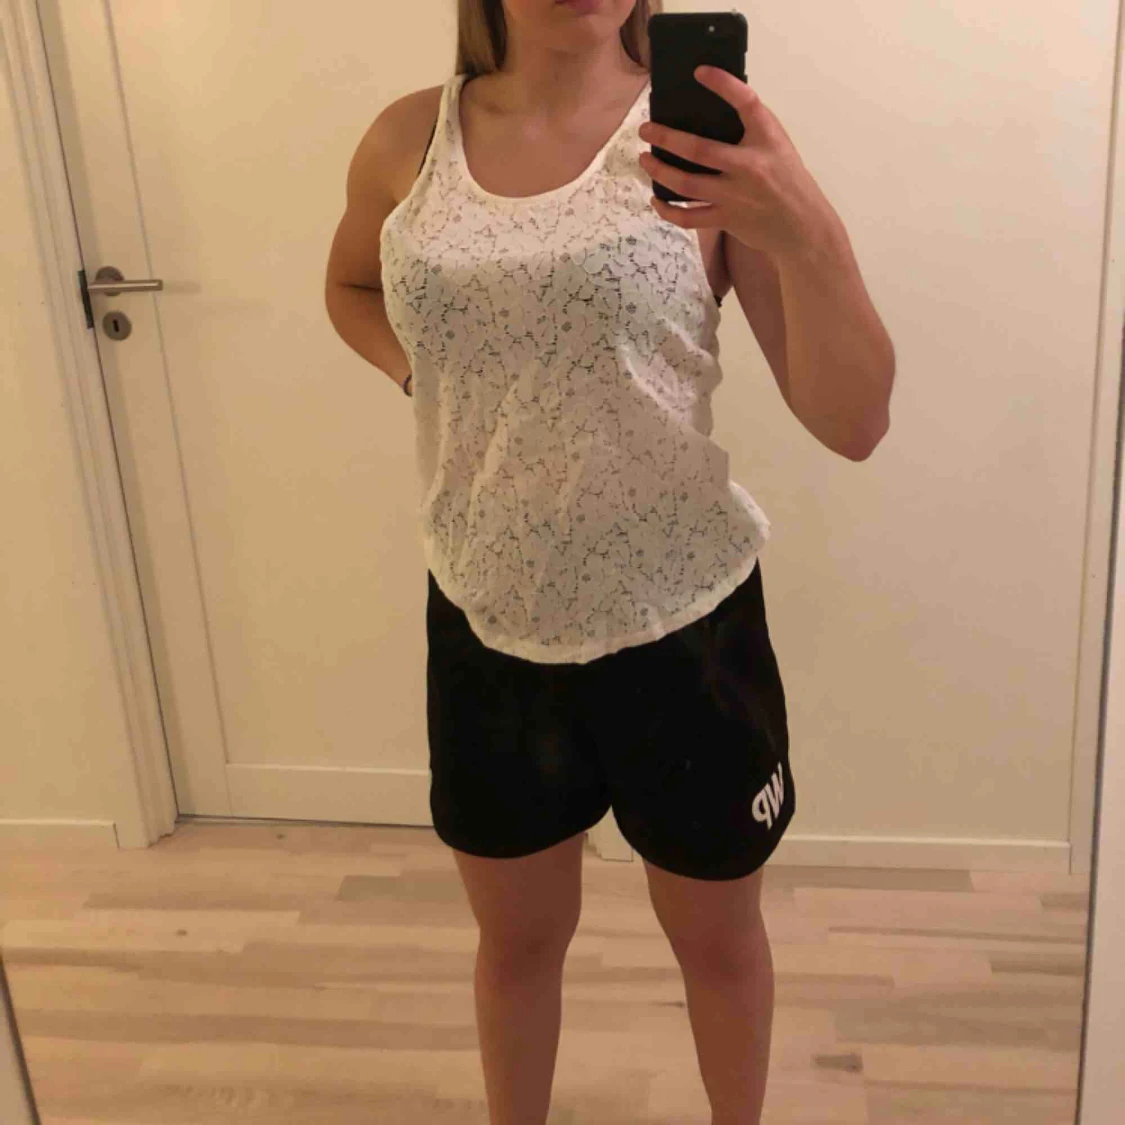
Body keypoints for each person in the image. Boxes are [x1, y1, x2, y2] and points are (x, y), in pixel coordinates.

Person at [325, 1, 894, 1121]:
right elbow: (349, 286)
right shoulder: (406, 140)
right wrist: (421, 375)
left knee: (718, 947)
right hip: (487, 615)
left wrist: (806, 229)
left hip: (685, 625)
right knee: (516, 946)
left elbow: (854, 421)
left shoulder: (701, 148)